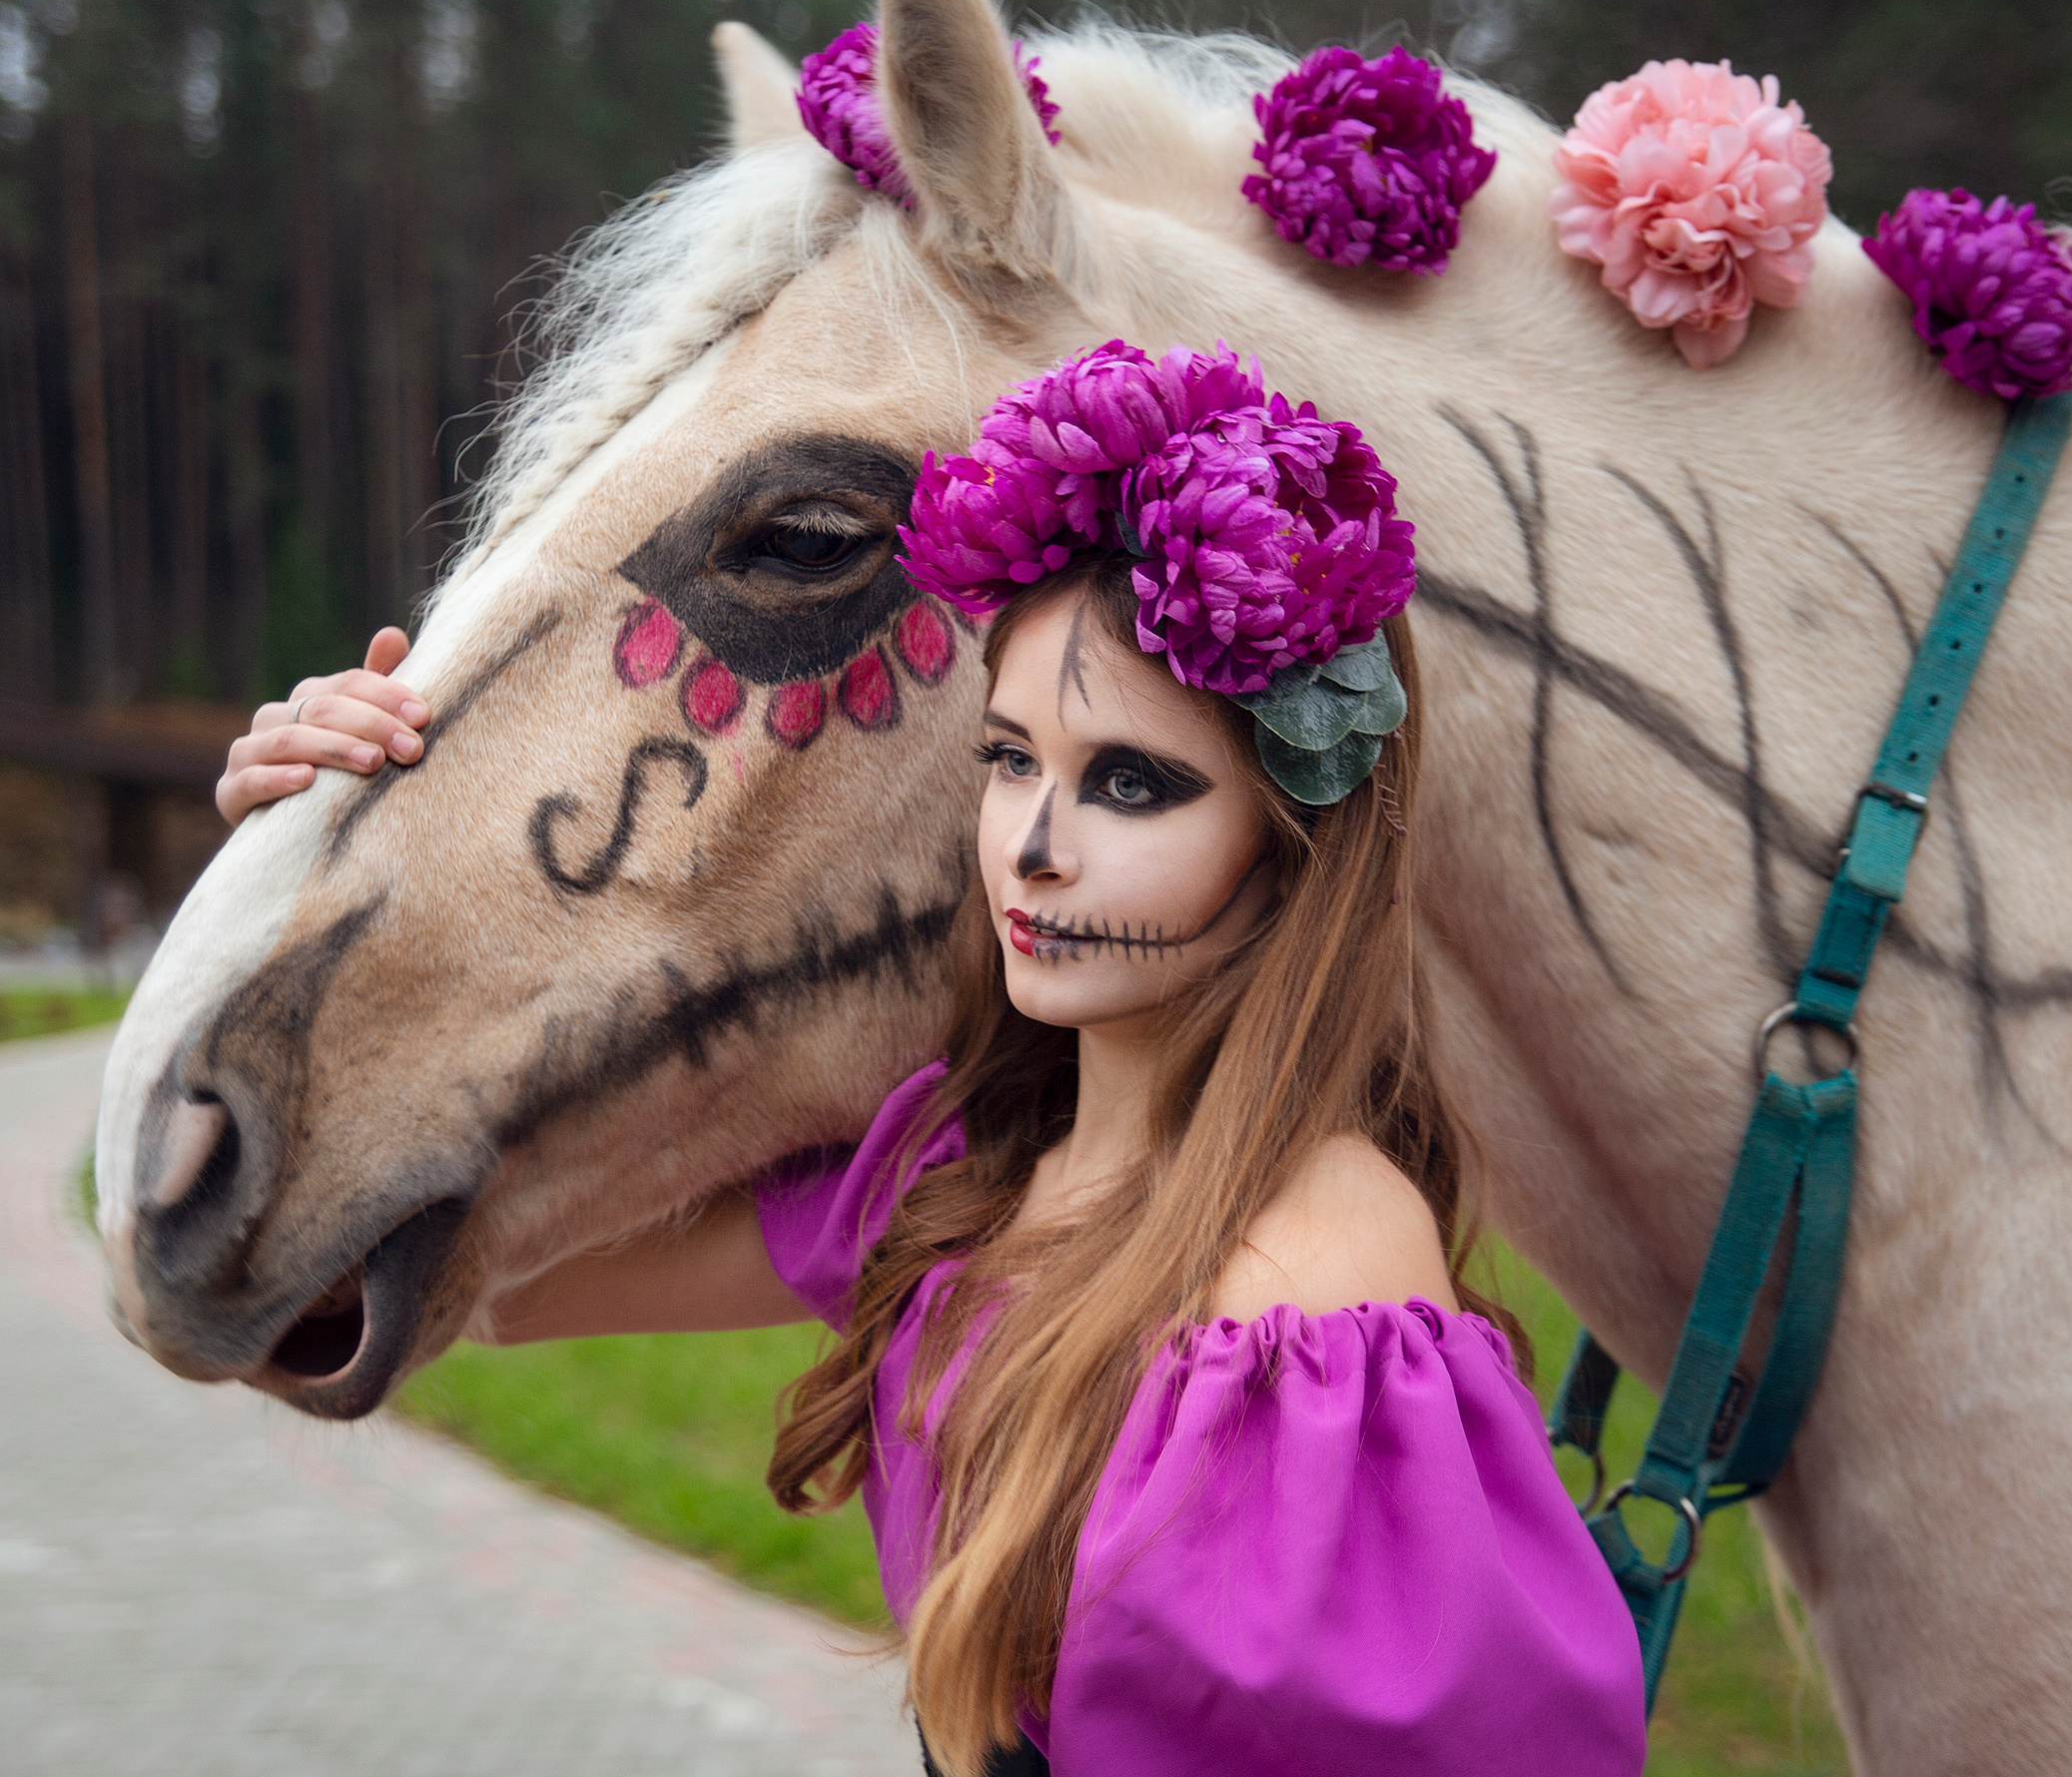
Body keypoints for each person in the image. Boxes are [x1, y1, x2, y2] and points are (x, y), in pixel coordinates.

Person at [215, 344, 1648, 1777]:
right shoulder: (949, 1176)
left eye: (1131, 783)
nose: (1031, 844)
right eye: (1012, 758)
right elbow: (490, 1281)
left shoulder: (1320, 1271)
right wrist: (311, 866)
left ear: (1291, 848)